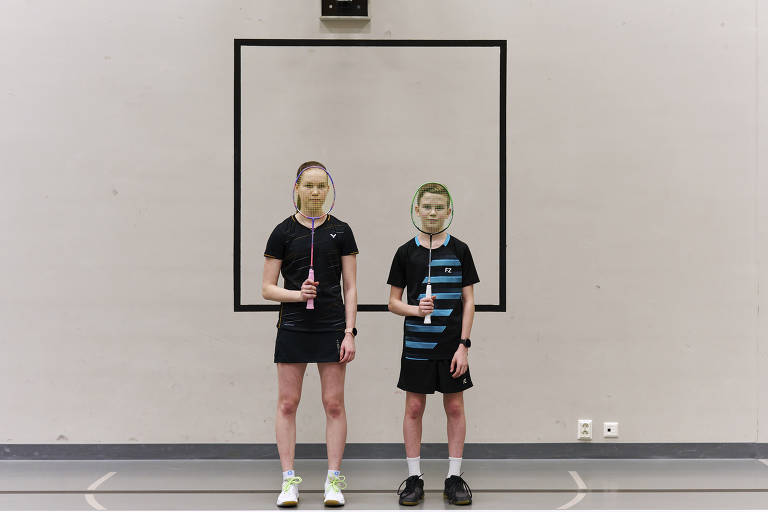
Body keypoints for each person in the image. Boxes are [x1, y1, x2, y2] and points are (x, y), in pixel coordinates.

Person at [262, 161, 359, 507]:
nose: (316, 192)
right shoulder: (282, 232)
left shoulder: (343, 231)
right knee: (288, 404)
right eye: (309, 186)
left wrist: (349, 332)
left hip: (331, 326)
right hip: (292, 327)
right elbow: (267, 288)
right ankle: (289, 481)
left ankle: (334, 480)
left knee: (334, 404)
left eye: (321, 186)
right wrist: (297, 295)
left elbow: (351, 287)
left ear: (327, 190)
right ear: (297, 189)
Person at [387, 183, 478, 506]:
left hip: (451, 346)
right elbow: (393, 303)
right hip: (417, 347)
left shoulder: (461, 250)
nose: (433, 213)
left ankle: (454, 477)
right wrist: (416, 310)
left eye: (440, 207)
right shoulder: (405, 253)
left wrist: (463, 345)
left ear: (449, 212)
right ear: (417, 210)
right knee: (414, 408)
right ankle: (415, 478)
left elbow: (469, 302)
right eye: (427, 207)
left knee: (454, 407)